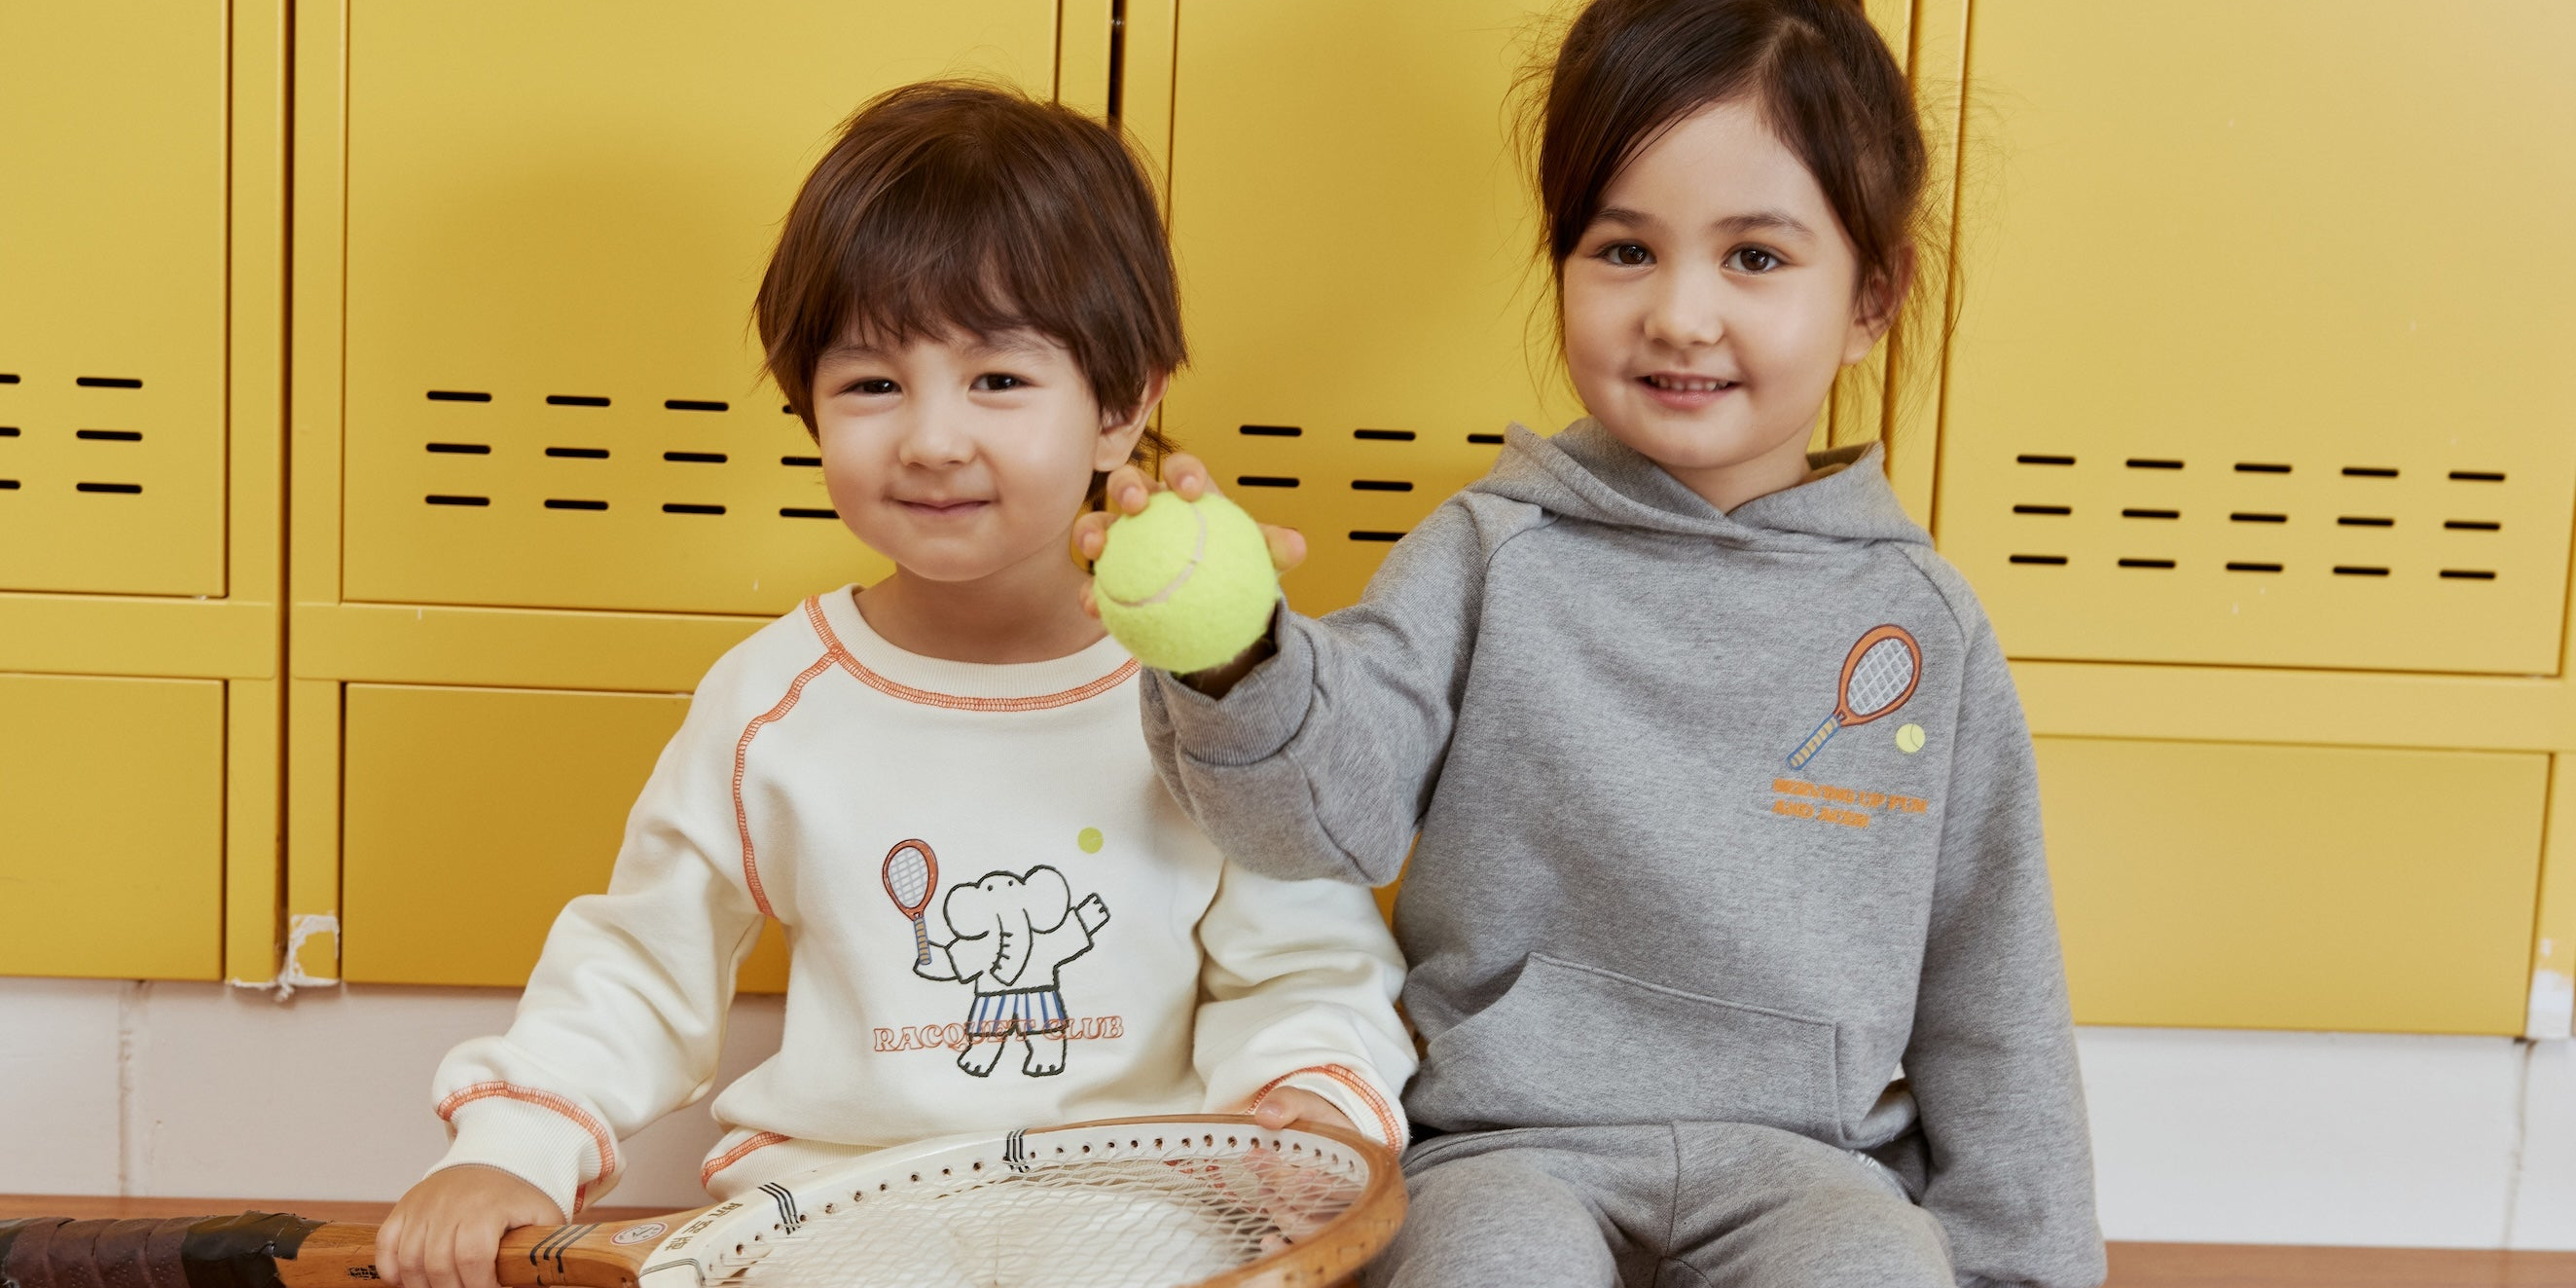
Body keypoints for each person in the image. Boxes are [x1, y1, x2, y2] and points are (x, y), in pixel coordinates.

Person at [1079, 2, 2104, 1284]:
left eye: (1754, 258)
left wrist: (2025, 1263)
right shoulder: (1487, 550)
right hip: (1508, 1145)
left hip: (1811, 1165)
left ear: (1870, 297)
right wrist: (1233, 656)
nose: (1677, 314)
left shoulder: (1923, 623)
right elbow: (1311, 823)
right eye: (1623, 248)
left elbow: (1990, 985)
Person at [377, 81, 1413, 1288]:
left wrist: (1304, 1103)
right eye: (872, 383)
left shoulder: (1210, 689)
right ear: (806, 399)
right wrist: (515, 1142)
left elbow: (1299, 959)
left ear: (1123, 405)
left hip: (1141, 1207)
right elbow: (642, 960)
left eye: (998, 381)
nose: (929, 439)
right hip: (830, 1213)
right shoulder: (774, 697)